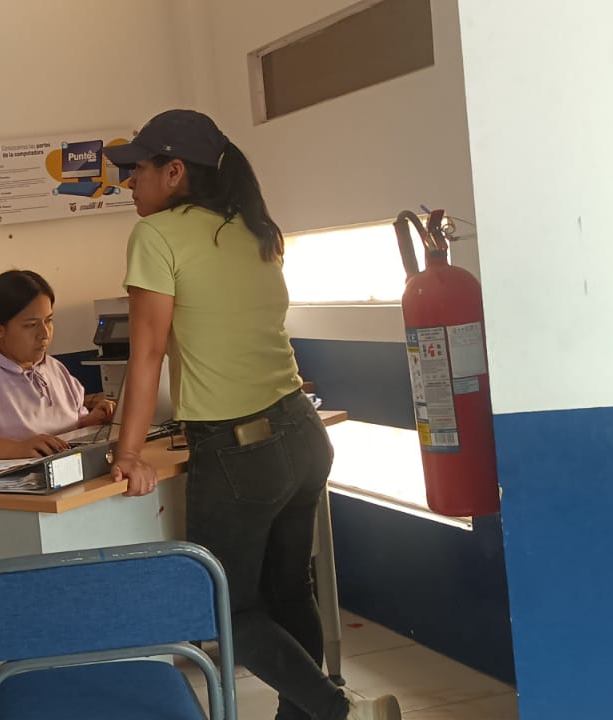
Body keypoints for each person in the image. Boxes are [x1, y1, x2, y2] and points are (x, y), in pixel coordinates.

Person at [103, 111, 402, 720]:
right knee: (290, 592)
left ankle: (342, 712)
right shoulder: (254, 229)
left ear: (175, 171)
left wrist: (127, 454)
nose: (130, 182)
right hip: (301, 432)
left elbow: (148, 353)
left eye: (139, 169)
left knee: (223, 608)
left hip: (241, 452)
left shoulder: (156, 236)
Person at [0, 269, 115, 463]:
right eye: (31, 325)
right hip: (7, 480)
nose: (44, 334)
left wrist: (89, 423)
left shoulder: (54, 368)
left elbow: (69, 422)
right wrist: (17, 448)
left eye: (48, 320)